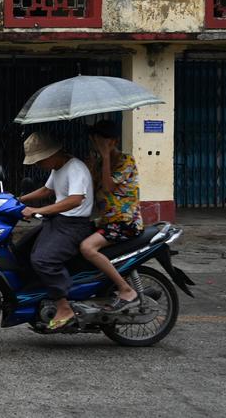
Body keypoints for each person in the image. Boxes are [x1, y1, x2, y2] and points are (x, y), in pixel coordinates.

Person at [14, 131, 95, 332]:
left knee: (43, 260)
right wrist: (18, 200)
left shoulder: (75, 168)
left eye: (40, 160)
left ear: (52, 153)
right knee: (21, 249)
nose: (38, 164)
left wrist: (38, 210)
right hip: (59, 222)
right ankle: (38, 294)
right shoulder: (58, 167)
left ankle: (63, 306)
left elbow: (75, 200)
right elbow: (47, 190)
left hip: (74, 226)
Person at [78, 119, 144, 311]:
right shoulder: (99, 163)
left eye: (100, 140)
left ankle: (126, 289)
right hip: (106, 221)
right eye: (94, 140)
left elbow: (108, 187)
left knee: (87, 248)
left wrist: (106, 156)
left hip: (125, 222)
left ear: (113, 141)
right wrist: (90, 167)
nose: (96, 144)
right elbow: (88, 189)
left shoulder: (126, 161)